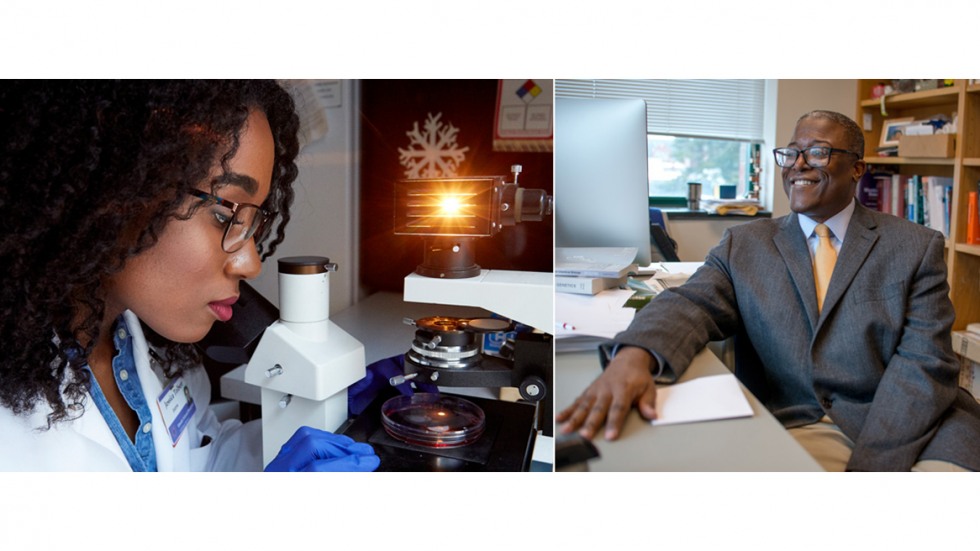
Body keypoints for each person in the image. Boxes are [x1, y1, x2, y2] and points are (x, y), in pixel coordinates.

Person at [557, 110, 980, 472]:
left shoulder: (915, 245)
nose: (799, 164)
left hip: (918, 423)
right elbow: (691, 302)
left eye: (817, 152)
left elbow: (924, 364)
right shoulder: (746, 244)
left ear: (856, 168)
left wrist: (870, 470)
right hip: (804, 422)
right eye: (791, 153)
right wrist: (634, 356)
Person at [0, 80, 379, 472]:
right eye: (225, 215)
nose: (251, 263)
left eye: (253, 220)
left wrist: (315, 419)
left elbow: (199, 458)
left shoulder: (150, 346)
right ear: (117, 190)